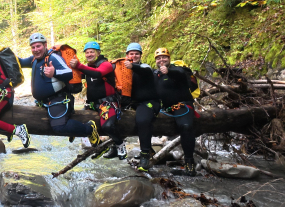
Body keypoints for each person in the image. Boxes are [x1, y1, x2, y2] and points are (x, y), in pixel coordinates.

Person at [18, 33, 100, 145]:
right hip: (44, 102)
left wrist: (54, 72)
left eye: (39, 46)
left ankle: (89, 128)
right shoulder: (34, 60)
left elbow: (68, 72)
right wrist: (2, 56)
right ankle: (73, 130)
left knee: (59, 127)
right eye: (33, 47)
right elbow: (20, 62)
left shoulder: (53, 57)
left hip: (58, 99)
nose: (36, 49)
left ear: (45, 45)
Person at [69, 41, 123, 159]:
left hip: (107, 102)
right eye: (87, 52)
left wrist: (79, 66)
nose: (89, 54)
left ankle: (120, 144)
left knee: (107, 126)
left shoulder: (106, 64)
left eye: (92, 52)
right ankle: (98, 145)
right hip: (93, 104)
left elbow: (98, 73)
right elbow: (76, 74)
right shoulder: (87, 68)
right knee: (78, 120)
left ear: (98, 53)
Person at [153, 47, 198, 176]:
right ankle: (147, 155)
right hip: (165, 109)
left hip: (182, 106)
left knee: (186, 126)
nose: (161, 60)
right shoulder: (155, 75)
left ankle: (189, 163)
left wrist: (168, 71)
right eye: (158, 58)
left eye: (164, 57)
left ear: (169, 58)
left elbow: (179, 74)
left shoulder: (178, 69)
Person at [123, 43, 160, 171]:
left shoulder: (144, 67)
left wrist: (133, 66)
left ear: (140, 56)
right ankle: (115, 147)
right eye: (131, 54)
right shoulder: (124, 70)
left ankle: (145, 154)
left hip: (149, 101)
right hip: (133, 103)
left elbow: (146, 72)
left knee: (142, 120)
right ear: (127, 55)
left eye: (136, 54)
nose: (134, 56)